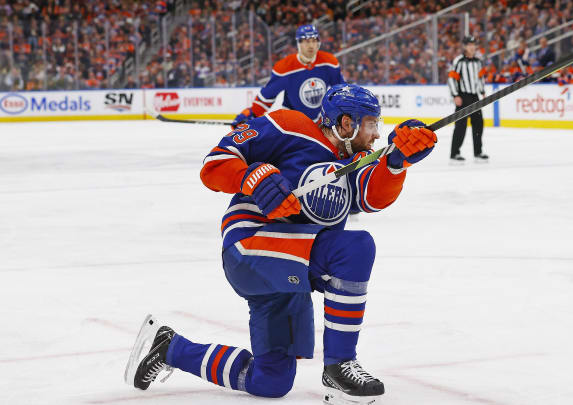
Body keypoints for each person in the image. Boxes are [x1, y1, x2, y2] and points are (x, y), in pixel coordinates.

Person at [124, 84, 438, 405]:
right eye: (371, 124)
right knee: (354, 248)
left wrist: (396, 162)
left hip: (290, 270)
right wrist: (251, 176)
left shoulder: (357, 162)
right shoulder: (291, 125)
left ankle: (170, 348)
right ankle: (340, 366)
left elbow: (372, 197)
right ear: (346, 123)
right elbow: (215, 164)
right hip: (252, 242)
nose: (375, 134)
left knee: (271, 380)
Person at [231, 24, 345, 126]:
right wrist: (250, 114)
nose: (311, 45)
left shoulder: (329, 62)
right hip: (292, 122)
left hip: (320, 121)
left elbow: (340, 90)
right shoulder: (285, 67)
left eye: (314, 40)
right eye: (306, 41)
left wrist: (348, 111)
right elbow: (267, 97)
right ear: (299, 43)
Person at [448, 35, 487, 163]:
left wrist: (482, 92)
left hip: (475, 96)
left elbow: (480, 78)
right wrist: (455, 95)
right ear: (464, 46)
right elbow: (452, 78)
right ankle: (455, 153)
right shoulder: (458, 61)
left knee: (478, 124)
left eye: (474, 44)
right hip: (462, 96)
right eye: (469, 45)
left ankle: (478, 152)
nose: (472, 47)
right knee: (460, 126)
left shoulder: (478, 61)